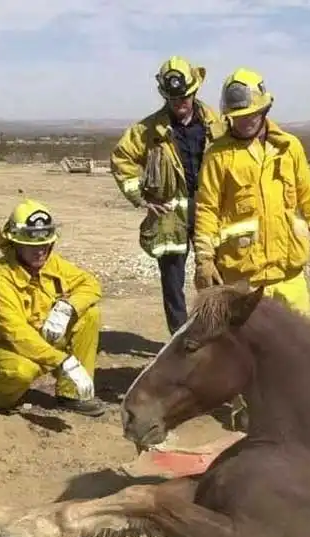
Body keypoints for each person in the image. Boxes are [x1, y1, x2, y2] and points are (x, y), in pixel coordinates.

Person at [193, 67, 310, 429]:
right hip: (244, 274)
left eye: (251, 114)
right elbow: (207, 209)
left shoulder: (289, 148)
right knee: (245, 349)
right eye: (238, 116)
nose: (245, 121)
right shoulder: (219, 155)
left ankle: (297, 406)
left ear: (265, 109)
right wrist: (204, 258)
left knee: (298, 343)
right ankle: (249, 411)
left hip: (287, 270)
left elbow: (307, 196)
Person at [110, 55, 226, 335]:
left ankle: (217, 335)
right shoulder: (149, 130)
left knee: (215, 276)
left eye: (184, 97)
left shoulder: (217, 124)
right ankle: (180, 338)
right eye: (173, 98)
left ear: (194, 91)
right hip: (170, 217)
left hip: (209, 211)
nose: (179, 103)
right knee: (173, 284)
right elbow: (122, 159)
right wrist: (142, 198)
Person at [0, 199, 105, 417]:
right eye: (32, 246)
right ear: (14, 243)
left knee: (89, 314)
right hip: (0, 344)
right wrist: (62, 361)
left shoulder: (52, 262)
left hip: (40, 333)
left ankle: (71, 394)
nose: (40, 252)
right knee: (22, 371)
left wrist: (67, 307)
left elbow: (90, 284)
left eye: (45, 245)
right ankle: (2, 398)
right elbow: (15, 331)